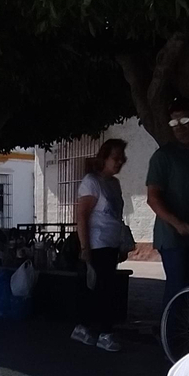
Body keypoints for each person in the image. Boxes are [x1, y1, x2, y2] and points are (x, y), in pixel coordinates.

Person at [147, 97, 189, 308]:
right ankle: (170, 333)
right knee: (177, 286)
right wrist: (178, 224)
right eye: (174, 123)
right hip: (173, 237)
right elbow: (153, 198)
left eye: (184, 120)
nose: (179, 127)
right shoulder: (164, 157)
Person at [73, 138, 132, 352]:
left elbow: (116, 216)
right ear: (104, 158)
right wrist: (84, 247)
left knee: (103, 289)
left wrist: (122, 242)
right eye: (115, 158)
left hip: (111, 243)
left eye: (122, 158)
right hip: (97, 243)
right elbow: (82, 215)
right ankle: (103, 332)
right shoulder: (92, 182)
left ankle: (89, 328)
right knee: (102, 289)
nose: (119, 162)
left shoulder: (114, 184)